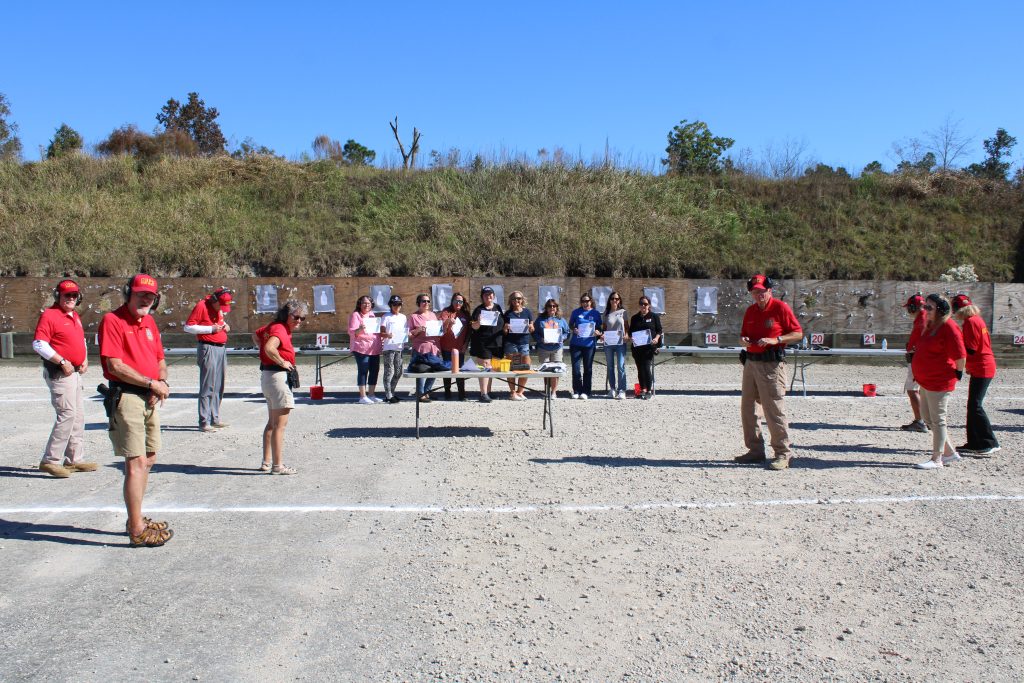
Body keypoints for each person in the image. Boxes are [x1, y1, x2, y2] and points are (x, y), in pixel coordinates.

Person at [98, 274, 173, 547]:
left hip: (150, 397)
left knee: (149, 459)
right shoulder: (112, 321)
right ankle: (137, 529)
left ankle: (136, 519)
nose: (145, 299)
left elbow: (160, 359)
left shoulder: (150, 322)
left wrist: (160, 382)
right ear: (128, 294)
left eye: (150, 296)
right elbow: (115, 365)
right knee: (136, 463)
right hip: (128, 397)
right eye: (140, 294)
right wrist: (151, 382)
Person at [734, 274, 803, 471]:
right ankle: (755, 450)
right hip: (751, 363)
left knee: (774, 409)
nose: (758, 295)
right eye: (755, 292)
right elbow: (741, 337)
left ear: (769, 291)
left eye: (762, 291)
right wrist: (744, 341)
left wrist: (777, 339)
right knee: (749, 409)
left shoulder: (780, 308)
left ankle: (782, 453)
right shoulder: (750, 311)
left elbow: (798, 333)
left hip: (771, 364)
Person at [32, 279, 97, 478]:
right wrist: (61, 361)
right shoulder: (50, 315)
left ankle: (74, 459)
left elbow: (80, 341)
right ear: (58, 296)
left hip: (74, 373)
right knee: (67, 414)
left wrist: (84, 358)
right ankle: (50, 460)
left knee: (77, 416)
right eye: (66, 295)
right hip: (60, 374)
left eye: (73, 295)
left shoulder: (74, 316)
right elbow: (39, 344)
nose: (70, 298)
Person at [911, 294, 967, 469]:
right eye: (924, 306)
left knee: (938, 420)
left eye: (929, 307)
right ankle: (950, 454)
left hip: (939, 381)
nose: (924, 310)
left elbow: (960, 355)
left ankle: (937, 459)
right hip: (927, 380)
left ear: (940, 309)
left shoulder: (949, 326)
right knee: (928, 418)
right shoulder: (931, 325)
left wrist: (958, 373)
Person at [255, 300, 307, 475]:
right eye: (296, 317)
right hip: (277, 377)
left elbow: (257, 335)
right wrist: (282, 361)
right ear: (286, 315)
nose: (299, 320)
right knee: (279, 425)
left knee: (272, 423)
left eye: (302, 318)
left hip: (269, 376)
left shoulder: (275, 327)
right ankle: (278, 466)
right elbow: (270, 347)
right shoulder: (279, 329)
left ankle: (267, 462)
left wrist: (263, 352)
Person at [952, 294, 1000, 456]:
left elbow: (970, 349)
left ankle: (989, 442)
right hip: (983, 365)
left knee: (975, 405)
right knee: (973, 405)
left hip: (983, 366)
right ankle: (974, 442)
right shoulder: (976, 319)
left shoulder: (970, 322)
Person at [184, 288, 233, 432]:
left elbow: (220, 322)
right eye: (221, 305)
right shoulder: (201, 306)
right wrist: (210, 330)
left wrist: (225, 326)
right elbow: (188, 327)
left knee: (219, 384)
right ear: (215, 300)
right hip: (208, 347)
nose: (223, 309)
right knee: (208, 385)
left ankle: (215, 418)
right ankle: (204, 421)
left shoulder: (218, 308)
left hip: (220, 347)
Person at [899, 294, 929, 433]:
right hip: (919, 357)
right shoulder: (923, 317)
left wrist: (912, 348)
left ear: (913, 307)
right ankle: (924, 420)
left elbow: (922, 340)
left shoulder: (922, 318)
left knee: (912, 390)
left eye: (909, 307)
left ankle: (920, 421)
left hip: (917, 358)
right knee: (919, 390)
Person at [470, 286, 504, 403]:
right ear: (482, 297)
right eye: (486, 294)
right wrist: (478, 322)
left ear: (493, 296)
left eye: (490, 294)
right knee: (485, 366)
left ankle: (488, 391)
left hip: (495, 342)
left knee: (491, 368)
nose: (488, 296)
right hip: (482, 343)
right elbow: (473, 326)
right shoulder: (478, 310)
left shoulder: (498, 308)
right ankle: (483, 393)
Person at [568, 292, 602, 399]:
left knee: (588, 369)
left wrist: (598, 332)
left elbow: (600, 328)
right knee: (576, 369)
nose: (585, 303)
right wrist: (574, 329)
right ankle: (577, 390)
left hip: (589, 345)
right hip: (576, 344)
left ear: (591, 301)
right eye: (583, 301)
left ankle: (586, 392)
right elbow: (571, 324)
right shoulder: (576, 312)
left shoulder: (596, 313)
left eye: (587, 301)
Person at [533, 299, 570, 398]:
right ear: (546, 308)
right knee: (545, 370)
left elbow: (567, 332)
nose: (552, 308)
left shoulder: (561, 320)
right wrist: (540, 339)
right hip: (543, 348)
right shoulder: (540, 319)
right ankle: (546, 390)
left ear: (557, 307)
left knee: (556, 370)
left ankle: (554, 392)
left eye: (554, 306)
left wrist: (562, 337)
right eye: (549, 306)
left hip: (557, 348)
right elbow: (534, 333)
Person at [349, 295, 383, 404]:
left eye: (368, 303)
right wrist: (360, 328)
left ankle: (371, 394)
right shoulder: (356, 315)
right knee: (363, 371)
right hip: (361, 347)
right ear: (359, 304)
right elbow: (352, 332)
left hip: (374, 347)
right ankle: (362, 396)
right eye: (364, 303)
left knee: (374, 370)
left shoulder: (373, 316)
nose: (366, 305)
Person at [408, 293, 441, 402]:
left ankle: (427, 391)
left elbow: (437, 331)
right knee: (421, 371)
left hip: (433, 347)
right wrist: (417, 330)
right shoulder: (414, 316)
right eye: (423, 301)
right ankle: (420, 394)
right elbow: (409, 335)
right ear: (418, 303)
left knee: (434, 371)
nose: (426, 303)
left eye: (428, 301)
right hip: (420, 348)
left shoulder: (433, 315)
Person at [502, 290, 534, 400]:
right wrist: (505, 328)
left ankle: (520, 392)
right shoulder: (507, 314)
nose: (517, 300)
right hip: (511, 344)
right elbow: (504, 332)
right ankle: (513, 392)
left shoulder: (527, 312)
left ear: (522, 300)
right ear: (511, 301)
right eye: (514, 298)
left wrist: (531, 328)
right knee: (512, 368)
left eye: (519, 298)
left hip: (524, 343)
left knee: (525, 367)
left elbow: (532, 327)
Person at [629, 295, 662, 399]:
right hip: (637, 348)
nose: (643, 306)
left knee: (646, 368)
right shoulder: (634, 318)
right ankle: (642, 389)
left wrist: (656, 338)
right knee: (640, 369)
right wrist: (631, 338)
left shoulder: (654, 316)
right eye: (641, 304)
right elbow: (630, 332)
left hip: (649, 348)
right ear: (639, 305)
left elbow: (659, 330)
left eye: (646, 304)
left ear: (649, 305)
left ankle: (648, 389)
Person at [440, 293, 470, 400]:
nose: (458, 303)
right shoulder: (446, 312)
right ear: (452, 301)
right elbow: (442, 325)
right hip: (447, 348)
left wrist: (466, 344)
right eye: (456, 301)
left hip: (460, 348)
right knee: (448, 371)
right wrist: (448, 321)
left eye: (460, 301)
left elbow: (468, 332)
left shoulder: (465, 314)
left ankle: (461, 393)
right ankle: (447, 392)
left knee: (460, 371)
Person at [380, 295, 407, 404]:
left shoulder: (403, 317)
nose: (397, 306)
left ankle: (392, 392)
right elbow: (381, 333)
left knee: (398, 372)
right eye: (394, 304)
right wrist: (387, 335)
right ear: (390, 305)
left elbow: (405, 331)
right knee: (389, 371)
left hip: (399, 348)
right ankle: (388, 395)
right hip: (389, 347)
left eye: (399, 304)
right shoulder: (386, 316)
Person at [603, 291, 629, 399]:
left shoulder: (623, 312)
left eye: (617, 299)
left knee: (620, 366)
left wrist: (627, 335)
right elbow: (604, 328)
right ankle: (612, 389)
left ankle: (622, 390)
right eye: (613, 298)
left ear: (619, 301)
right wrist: (602, 336)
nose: (615, 300)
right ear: (610, 300)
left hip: (620, 343)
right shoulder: (606, 313)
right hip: (609, 343)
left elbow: (627, 326)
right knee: (610, 366)